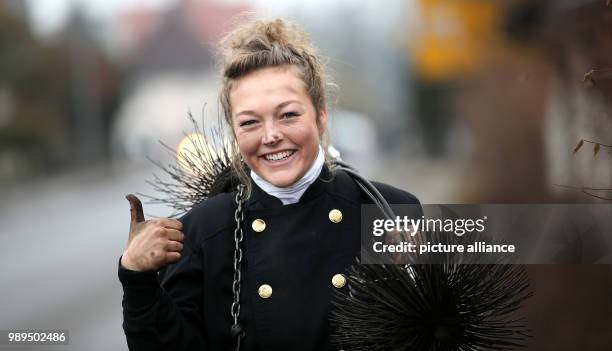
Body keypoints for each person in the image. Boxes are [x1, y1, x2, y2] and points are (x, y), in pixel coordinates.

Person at [118, 18, 420, 351]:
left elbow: (461, 321)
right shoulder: (202, 232)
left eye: (288, 114)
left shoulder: (390, 211)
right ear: (235, 132)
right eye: (250, 122)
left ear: (321, 116)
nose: (271, 136)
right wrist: (136, 277)